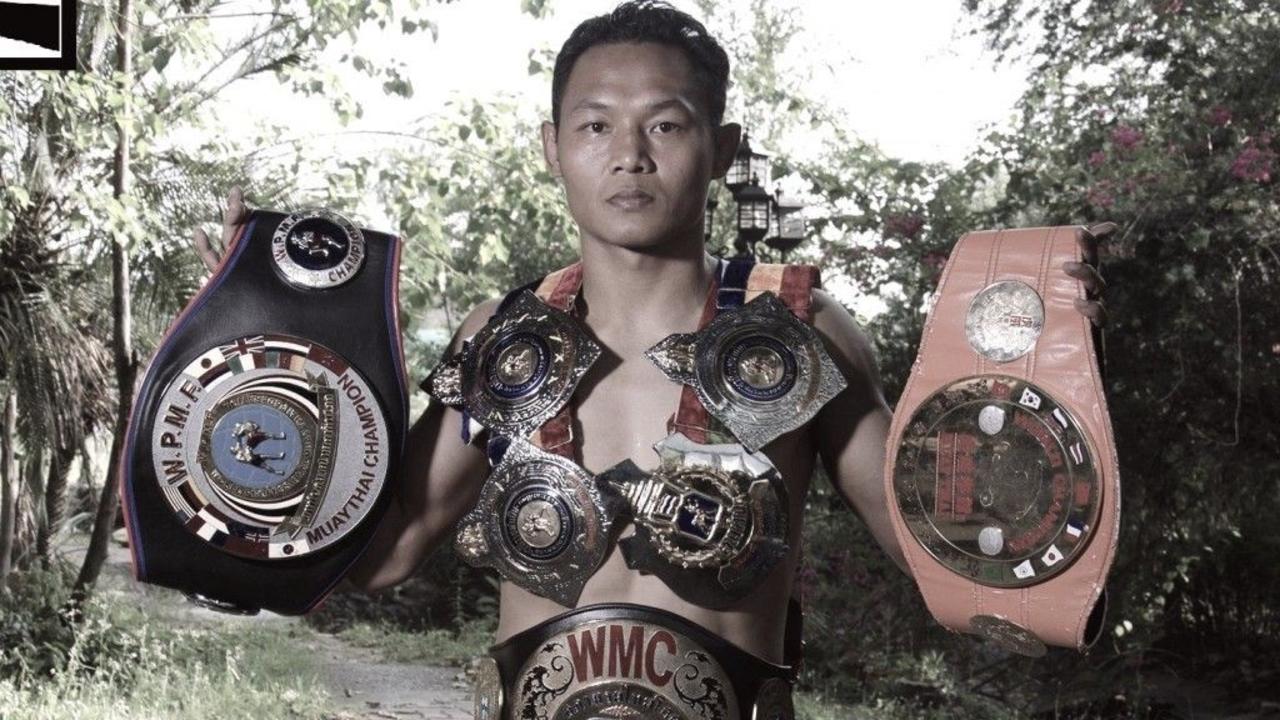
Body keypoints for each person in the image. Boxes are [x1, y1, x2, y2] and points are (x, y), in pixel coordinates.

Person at [194, 1, 1106, 715]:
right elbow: (387, 553)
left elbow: (929, 550)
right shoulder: (500, 335)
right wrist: (268, 350)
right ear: (553, 148)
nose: (628, 156)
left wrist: (1049, 373)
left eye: (665, 126)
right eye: (595, 126)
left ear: (722, 148)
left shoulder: (801, 330)